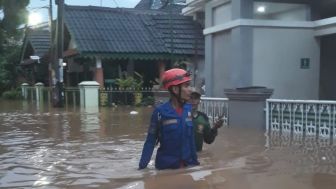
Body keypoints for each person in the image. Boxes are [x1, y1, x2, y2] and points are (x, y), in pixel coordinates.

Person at [139, 68, 199, 170]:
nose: (190, 90)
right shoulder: (160, 112)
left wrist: (195, 164)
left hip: (187, 167)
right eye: (186, 86)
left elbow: (191, 140)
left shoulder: (188, 110)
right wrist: (142, 168)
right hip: (166, 169)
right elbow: (150, 142)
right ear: (175, 90)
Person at [190, 88, 224, 152]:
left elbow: (208, 140)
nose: (193, 101)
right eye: (191, 98)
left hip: (197, 156)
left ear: (199, 101)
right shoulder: (181, 116)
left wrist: (215, 127)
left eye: (196, 98)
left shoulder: (203, 117)